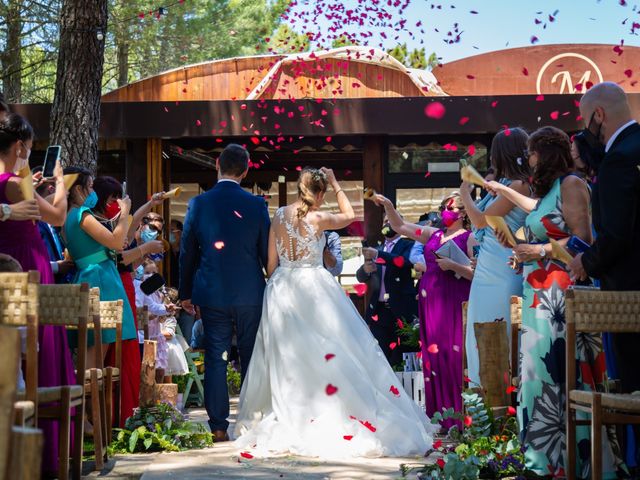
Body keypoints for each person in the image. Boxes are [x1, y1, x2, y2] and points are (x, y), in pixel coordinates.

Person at [234, 167, 435, 458]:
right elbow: (351, 215)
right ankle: (324, 407)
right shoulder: (318, 218)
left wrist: (275, 286)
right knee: (330, 347)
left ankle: (293, 407)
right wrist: (336, 181)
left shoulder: (278, 216)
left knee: (287, 355)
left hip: (281, 288)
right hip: (312, 285)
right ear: (320, 193)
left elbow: (271, 262)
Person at [486, 126, 614, 477]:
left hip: (559, 295)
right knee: (534, 378)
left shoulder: (572, 184)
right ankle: (540, 462)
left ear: (544, 153)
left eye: (531, 153)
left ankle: (566, 463)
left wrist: (538, 249)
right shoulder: (546, 194)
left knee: (556, 374)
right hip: (536, 292)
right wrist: (518, 248)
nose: (528, 160)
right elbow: (541, 231)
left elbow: (583, 241)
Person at [0, 113, 76, 476]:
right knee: (39, 349)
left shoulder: (11, 183)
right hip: (29, 264)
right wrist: (60, 182)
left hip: (9, 262)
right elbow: (58, 215)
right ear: (18, 147)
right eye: (28, 150)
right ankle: (44, 454)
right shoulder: (16, 184)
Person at [179, 143, 271, 442]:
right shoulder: (257, 205)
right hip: (249, 291)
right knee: (250, 355)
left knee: (217, 357)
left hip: (212, 291)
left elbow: (187, 251)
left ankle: (218, 426)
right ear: (246, 170)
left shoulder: (198, 204)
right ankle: (250, 422)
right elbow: (264, 252)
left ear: (216, 164)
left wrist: (185, 292)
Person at [372, 192, 475, 431]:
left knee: (453, 358)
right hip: (430, 305)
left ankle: (457, 419)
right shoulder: (433, 234)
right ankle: (437, 418)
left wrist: (453, 265)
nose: (444, 212)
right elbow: (399, 225)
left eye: (449, 208)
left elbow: (476, 273)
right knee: (433, 360)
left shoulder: (470, 238)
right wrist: (388, 204)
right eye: (442, 207)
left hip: (454, 302)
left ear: (462, 213)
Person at [570, 82, 640, 394]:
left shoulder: (618, 160)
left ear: (598, 115)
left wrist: (586, 260)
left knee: (632, 386)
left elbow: (617, 233)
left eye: (585, 121)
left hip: (630, 294)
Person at [459, 128, 530, 387]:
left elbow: (479, 219)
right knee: (479, 331)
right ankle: (485, 406)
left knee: (500, 331)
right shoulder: (505, 185)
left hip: (503, 267)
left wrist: (465, 193)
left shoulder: (520, 185)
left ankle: (502, 402)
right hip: (488, 266)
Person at [356, 215, 417, 367]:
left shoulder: (408, 245)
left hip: (402, 308)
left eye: (391, 221)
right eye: (385, 221)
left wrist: (378, 255)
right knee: (380, 354)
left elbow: (403, 262)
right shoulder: (376, 249)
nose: (387, 224)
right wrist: (365, 269)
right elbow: (360, 276)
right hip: (379, 309)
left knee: (403, 353)